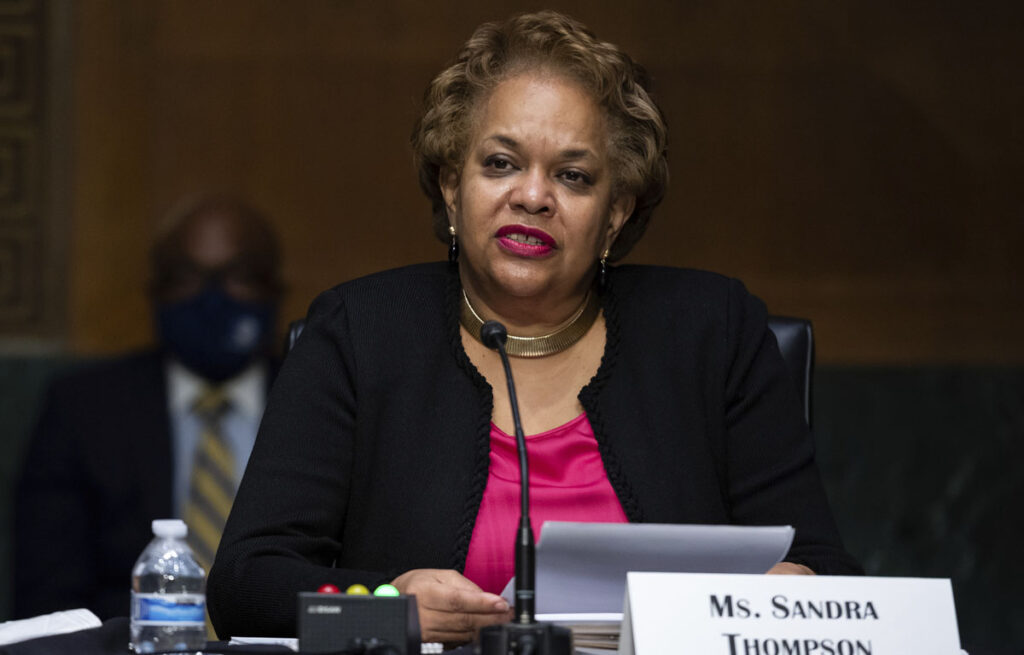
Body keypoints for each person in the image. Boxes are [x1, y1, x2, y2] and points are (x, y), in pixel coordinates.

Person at [208, 11, 861, 645]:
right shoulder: (361, 333)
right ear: (451, 186)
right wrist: (385, 608)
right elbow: (244, 584)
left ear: (614, 213)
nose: (533, 196)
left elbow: (824, 568)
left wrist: (791, 592)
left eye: (573, 176)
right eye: (501, 163)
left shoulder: (711, 332)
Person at [14, 195, 284, 621]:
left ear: (274, 290)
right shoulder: (84, 408)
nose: (212, 300)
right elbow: (48, 597)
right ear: (156, 291)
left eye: (239, 276)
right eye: (186, 278)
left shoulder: (328, 399)